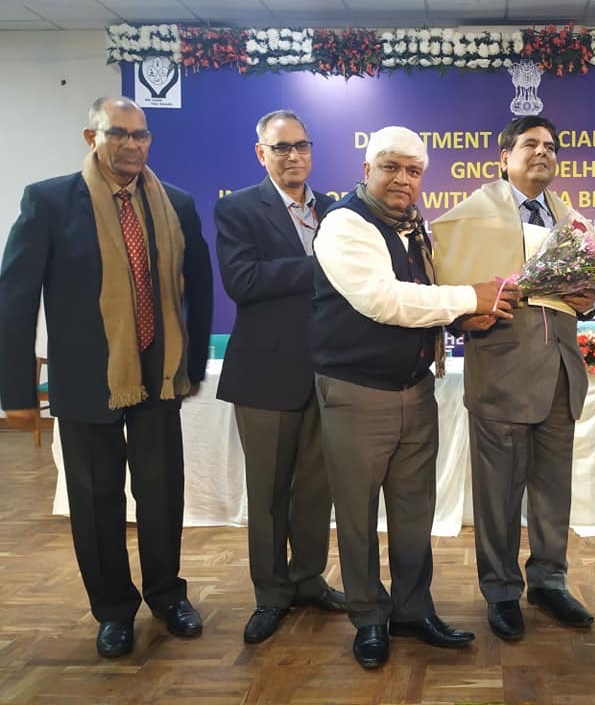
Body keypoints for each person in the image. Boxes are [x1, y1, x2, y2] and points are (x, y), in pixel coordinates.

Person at [0, 96, 213, 658]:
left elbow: (201, 286)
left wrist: (191, 369)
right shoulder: (49, 202)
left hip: (158, 376)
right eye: (118, 134)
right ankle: (114, 610)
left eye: (141, 135)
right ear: (90, 137)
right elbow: (15, 301)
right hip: (86, 380)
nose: (132, 145)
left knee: (163, 494)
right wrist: (17, 391)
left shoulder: (177, 204)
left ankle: (168, 596)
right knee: (96, 501)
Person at [310, 126, 521, 668]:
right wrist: (468, 297)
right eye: (390, 167)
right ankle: (368, 618)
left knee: (413, 514)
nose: (403, 179)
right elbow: (384, 301)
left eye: (413, 170)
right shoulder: (344, 224)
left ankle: (412, 609)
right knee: (357, 516)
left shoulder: (413, 229)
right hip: (356, 395)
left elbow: (423, 306)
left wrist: (466, 315)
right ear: (366, 171)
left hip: (416, 391)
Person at [431, 115, 595, 642]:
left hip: (561, 374)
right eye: (530, 144)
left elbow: (576, 299)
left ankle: (549, 580)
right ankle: (501, 590)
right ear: (503, 156)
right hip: (501, 370)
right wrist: (461, 315)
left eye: (550, 146)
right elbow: (450, 290)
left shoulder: (571, 220)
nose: (542, 153)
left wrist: (587, 302)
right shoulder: (468, 218)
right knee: (498, 496)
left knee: (553, 491)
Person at [215, 110, 346, 645]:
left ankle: (308, 579)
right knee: (268, 492)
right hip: (266, 374)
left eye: (302, 146)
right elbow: (243, 281)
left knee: (316, 491)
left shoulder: (335, 210)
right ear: (261, 153)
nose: (293, 156)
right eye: (281, 147)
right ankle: (271, 593)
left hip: (328, 373)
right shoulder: (239, 208)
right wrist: (323, 260)